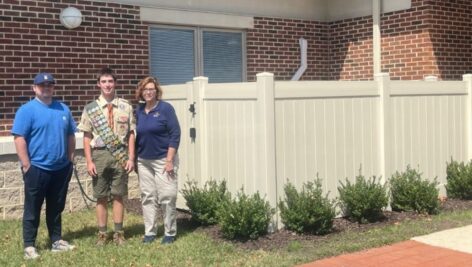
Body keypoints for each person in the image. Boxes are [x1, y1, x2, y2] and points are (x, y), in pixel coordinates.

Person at [12, 72, 76, 260]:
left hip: (61, 168)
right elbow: (19, 138)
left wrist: (70, 159)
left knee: (56, 207)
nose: (46, 88)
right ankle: (29, 245)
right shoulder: (26, 110)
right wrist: (26, 165)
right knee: (33, 208)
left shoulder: (63, 109)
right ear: (34, 88)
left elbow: (71, 135)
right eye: (42, 85)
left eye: (50, 85)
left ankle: (56, 241)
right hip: (37, 169)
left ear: (53, 87)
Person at [77, 67, 135, 246]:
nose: (107, 85)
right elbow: (86, 136)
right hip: (100, 155)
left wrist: (131, 157)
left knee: (118, 195)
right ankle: (102, 234)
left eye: (110, 81)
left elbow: (131, 133)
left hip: (121, 155)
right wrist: (89, 160)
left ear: (115, 83)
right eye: (104, 81)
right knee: (101, 196)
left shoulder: (126, 106)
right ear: (98, 84)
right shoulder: (90, 109)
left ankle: (119, 233)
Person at [135, 76, 181, 244]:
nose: (148, 92)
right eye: (145, 89)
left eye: (151, 89)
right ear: (141, 91)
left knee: (167, 196)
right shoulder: (138, 111)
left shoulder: (166, 109)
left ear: (157, 91)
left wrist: (170, 160)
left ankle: (169, 232)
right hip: (143, 161)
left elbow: (175, 135)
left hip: (163, 159)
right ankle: (150, 232)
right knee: (148, 196)